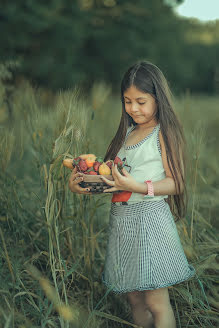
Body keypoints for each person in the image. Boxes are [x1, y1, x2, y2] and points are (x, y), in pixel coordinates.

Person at [68, 60, 196, 328]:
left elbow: (176, 183)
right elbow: (115, 182)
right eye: (127, 101)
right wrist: (82, 184)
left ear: (158, 99)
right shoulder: (127, 133)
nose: (133, 108)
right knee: (135, 299)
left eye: (141, 101)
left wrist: (137, 187)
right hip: (123, 224)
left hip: (150, 221)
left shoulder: (163, 132)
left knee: (155, 302)